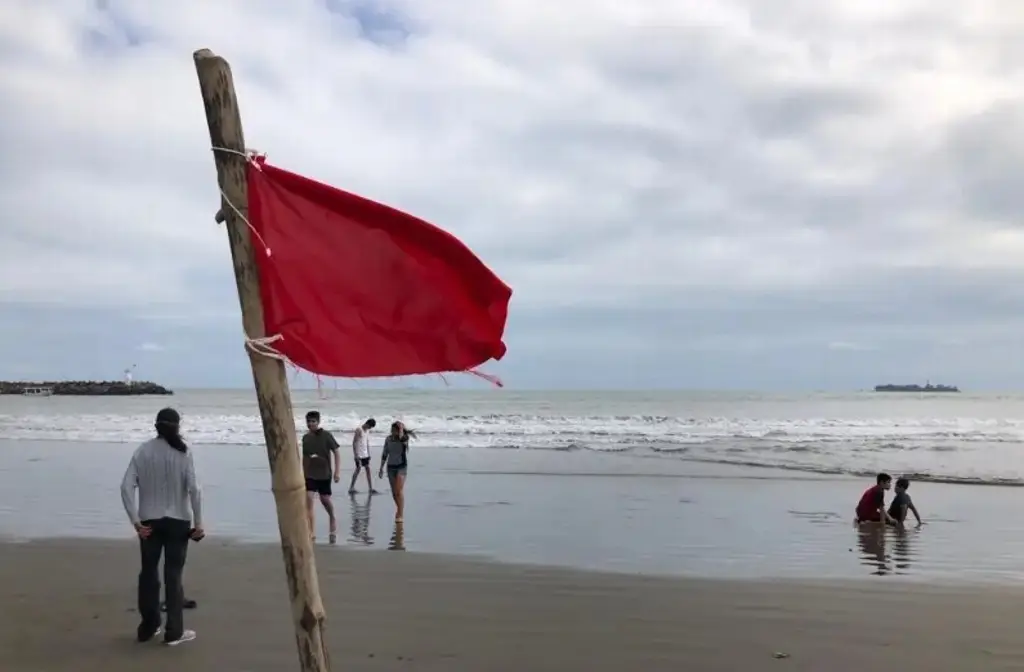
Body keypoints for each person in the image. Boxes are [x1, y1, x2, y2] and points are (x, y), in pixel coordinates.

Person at [120, 407, 204, 646]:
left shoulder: (143, 451)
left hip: (149, 521)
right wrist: (198, 522)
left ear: (156, 425)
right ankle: (174, 632)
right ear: (177, 426)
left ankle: (149, 626)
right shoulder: (183, 452)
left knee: (148, 573)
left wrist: (136, 522)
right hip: (179, 521)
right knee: (173, 575)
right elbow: (195, 490)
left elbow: (125, 487)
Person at [302, 410, 341, 543]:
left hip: (324, 473)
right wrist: (302, 473)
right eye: (309, 421)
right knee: (308, 499)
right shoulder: (305, 438)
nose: (311, 424)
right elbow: (305, 458)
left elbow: (336, 452)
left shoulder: (326, 436)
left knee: (325, 500)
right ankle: (311, 532)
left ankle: (332, 517)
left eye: (313, 421)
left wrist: (337, 472)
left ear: (318, 422)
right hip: (310, 474)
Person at [378, 421, 410, 523]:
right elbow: (385, 453)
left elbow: (402, 438)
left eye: (394, 430)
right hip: (390, 467)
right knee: (394, 493)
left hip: (401, 467)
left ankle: (400, 513)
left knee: (398, 491)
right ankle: (399, 508)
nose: (392, 432)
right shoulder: (388, 439)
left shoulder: (404, 439)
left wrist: (401, 429)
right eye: (391, 430)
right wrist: (381, 468)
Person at [348, 418, 379, 495]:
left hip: (365, 454)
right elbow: (354, 442)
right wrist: (355, 455)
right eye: (370, 426)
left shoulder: (367, 431)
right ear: (367, 423)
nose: (370, 428)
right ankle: (351, 487)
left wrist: (368, 453)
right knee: (358, 469)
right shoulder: (359, 430)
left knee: (368, 469)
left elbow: (366, 442)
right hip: (359, 454)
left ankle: (370, 488)